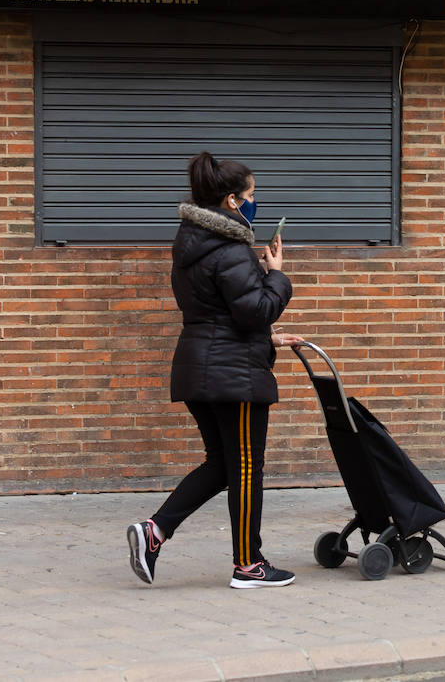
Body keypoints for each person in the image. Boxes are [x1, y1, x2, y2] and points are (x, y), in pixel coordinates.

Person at [127, 152, 304, 589]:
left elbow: (216, 314)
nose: (253, 204)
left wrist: (271, 338)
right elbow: (253, 311)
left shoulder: (191, 245)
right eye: (250, 197)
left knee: (224, 464)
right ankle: (249, 565)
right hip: (234, 377)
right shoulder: (230, 250)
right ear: (230, 201)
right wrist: (276, 276)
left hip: (200, 367)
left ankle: (156, 531)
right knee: (246, 467)